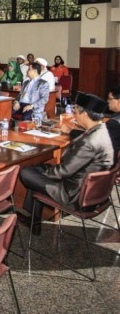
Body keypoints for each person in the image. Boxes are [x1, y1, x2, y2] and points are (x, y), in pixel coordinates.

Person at [20, 92, 114, 235]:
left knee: (26, 172)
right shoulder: (102, 131)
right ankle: (34, 219)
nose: (74, 115)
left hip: (73, 194)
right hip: (94, 191)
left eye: (75, 112)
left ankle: (34, 219)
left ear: (84, 115)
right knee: (37, 169)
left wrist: (42, 173)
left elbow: (62, 172)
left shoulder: (89, 142)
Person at [61, 86, 120, 158]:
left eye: (110, 98)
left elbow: (95, 139)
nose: (107, 101)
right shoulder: (115, 117)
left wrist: (70, 131)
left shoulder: (115, 123)